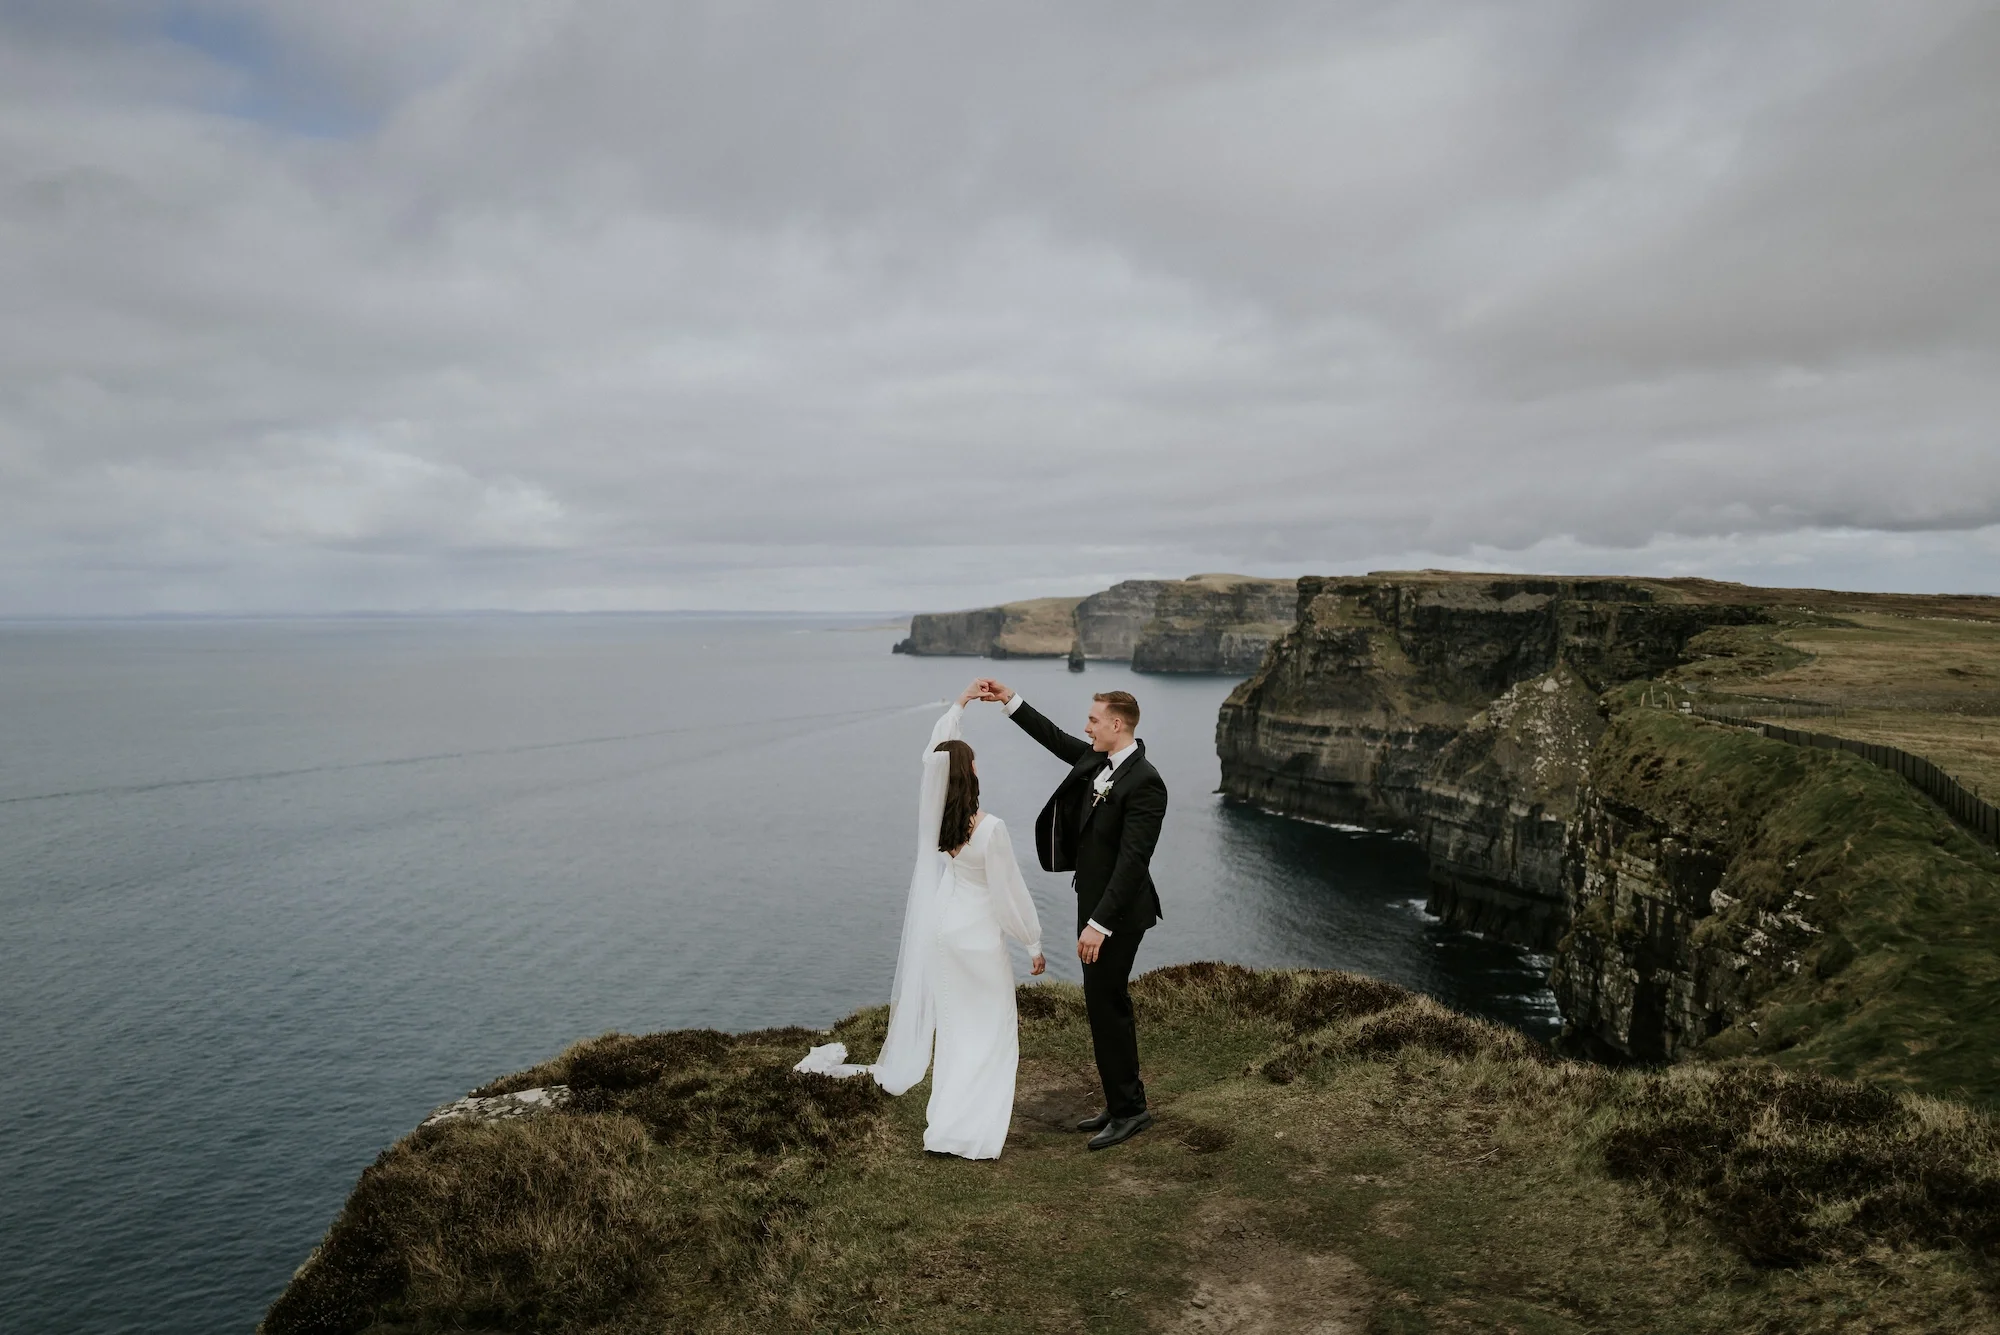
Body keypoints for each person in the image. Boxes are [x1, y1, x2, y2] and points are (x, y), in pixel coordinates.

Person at [797, 681, 1046, 1160]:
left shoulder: (939, 825)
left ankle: (946, 1125)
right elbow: (1009, 893)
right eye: (973, 761)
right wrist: (1032, 943)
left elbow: (934, 754)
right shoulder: (990, 830)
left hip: (942, 934)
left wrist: (960, 704)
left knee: (953, 1034)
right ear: (971, 771)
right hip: (977, 940)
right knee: (991, 1033)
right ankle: (974, 1131)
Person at [973, 679, 1166, 1151]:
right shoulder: (1101, 761)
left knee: (1108, 1005)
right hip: (1095, 905)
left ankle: (1130, 1111)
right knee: (1102, 1005)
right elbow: (1056, 739)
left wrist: (1098, 926)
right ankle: (1121, 1100)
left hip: (1117, 914)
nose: (1087, 726)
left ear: (1117, 725)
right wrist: (1010, 702)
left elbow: (1132, 862)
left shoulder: (1146, 782)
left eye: (1095, 720)